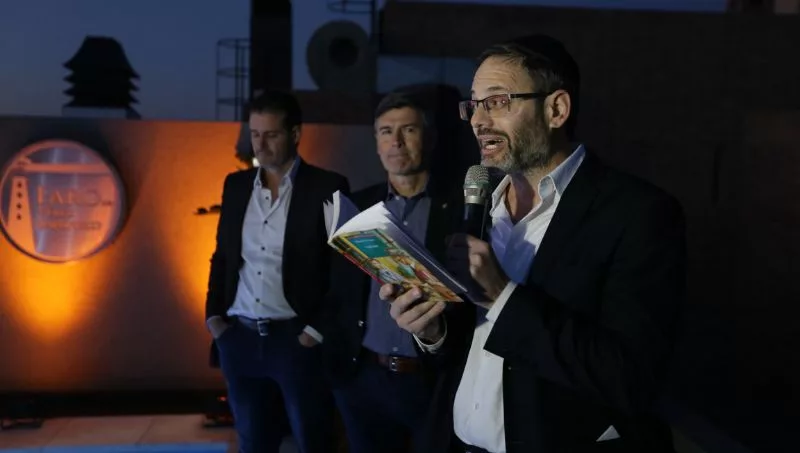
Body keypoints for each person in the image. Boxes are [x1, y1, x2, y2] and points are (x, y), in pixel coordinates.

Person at [383, 35, 686, 453]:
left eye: (497, 101)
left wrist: (501, 295)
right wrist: (432, 331)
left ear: (556, 109)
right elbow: (468, 349)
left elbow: (630, 376)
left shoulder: (639, 213)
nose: (477, 120)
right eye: (474, 105)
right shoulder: (476, 203)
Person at [205, 89, 349, 453]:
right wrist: (214, 319)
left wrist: (314, 333)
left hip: (295, 340)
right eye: (255, 134)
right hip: (239, 338)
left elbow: (343, 270)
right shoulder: (235, 186)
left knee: (314, 441)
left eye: (270, 134)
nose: (260, 144)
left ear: (295, 134)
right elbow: (222, 257)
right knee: (253, 443)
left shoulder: (327, 187)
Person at [320, 90, 464, 453]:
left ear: (429, 138)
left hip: (430, 382)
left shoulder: (459, 208)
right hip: (363, 379)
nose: (396, 141)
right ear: (376, 141)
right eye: (386, 131)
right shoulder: (358, 205)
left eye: (408, 130)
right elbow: (337, 290)